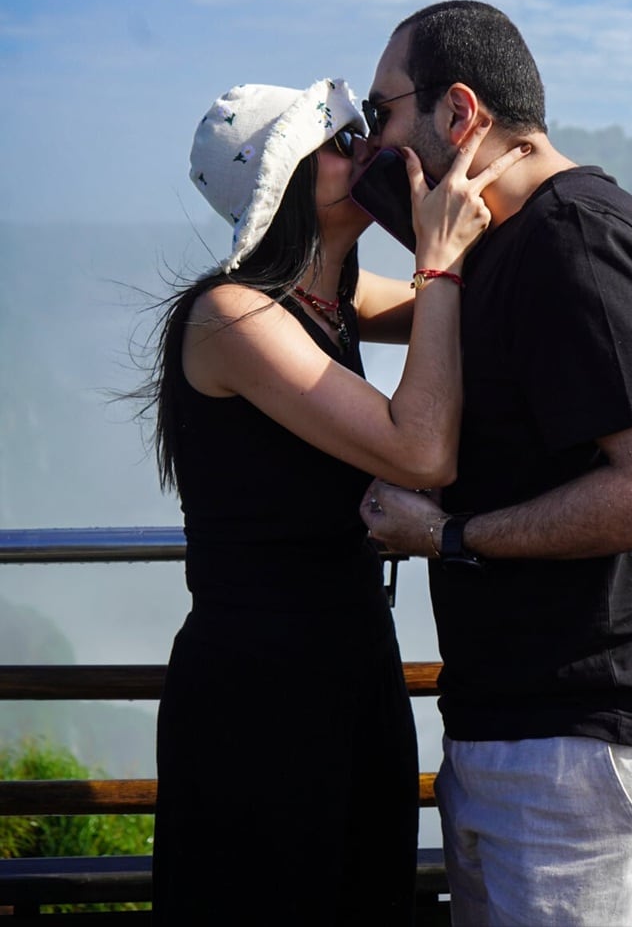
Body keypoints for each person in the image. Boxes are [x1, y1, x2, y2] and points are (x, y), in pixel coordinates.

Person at [357, 2, 632, 927]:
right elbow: (355, 299)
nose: (374, 141)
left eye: (383, 113)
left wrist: (448, 535)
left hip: (592, 750)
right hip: (517, 737)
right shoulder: (490, 251)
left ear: (460, 113)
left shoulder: (576, 238)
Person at [143, 77, 527, 924]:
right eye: (339, 144)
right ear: (279, 188)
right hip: (259, 690)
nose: (369, 152)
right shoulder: (230, 315)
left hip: (353, 666)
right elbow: (420, 447)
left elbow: (476, 309)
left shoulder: (338, 298)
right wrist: (436, 260)